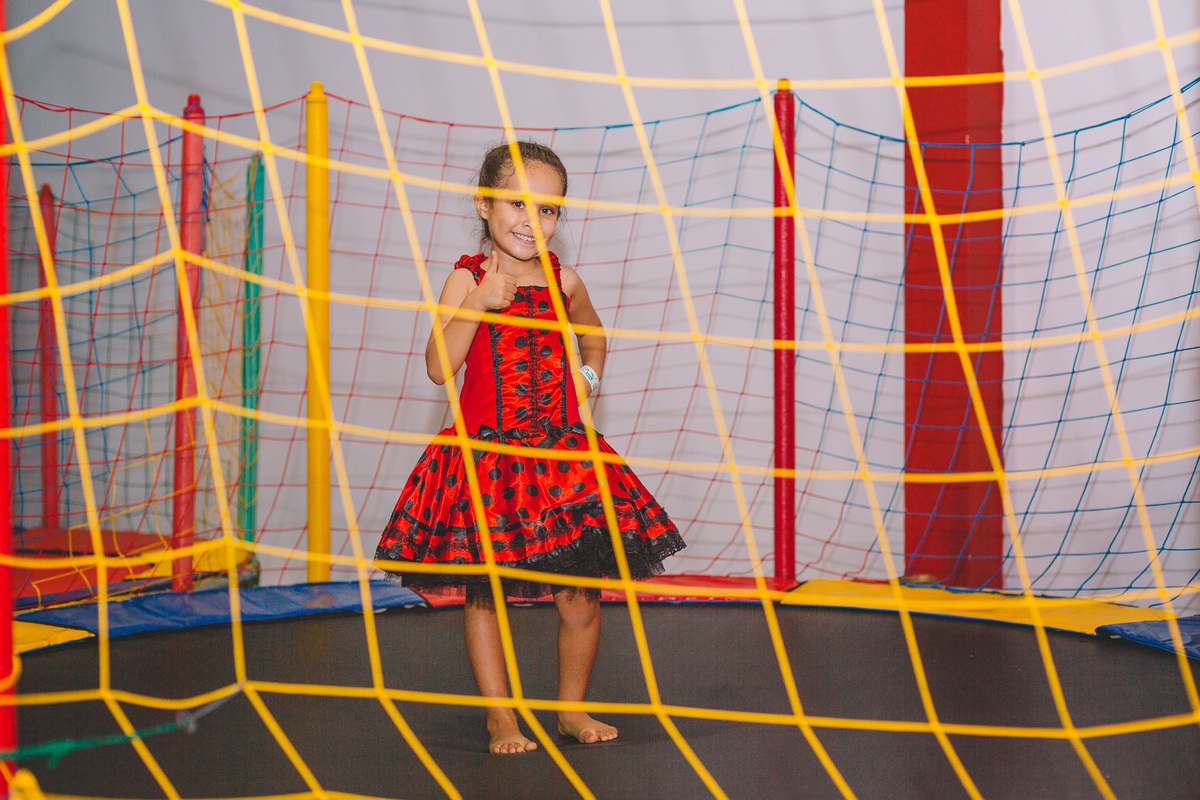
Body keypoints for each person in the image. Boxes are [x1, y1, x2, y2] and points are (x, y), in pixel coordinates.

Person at [375, 141, 686, 754]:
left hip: (563, 461)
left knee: (582, 597)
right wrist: (476, 306)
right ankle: (501, 717)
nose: (532, 220)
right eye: (517, 203)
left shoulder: (564, 282)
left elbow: (594, 338)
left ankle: (571, 708)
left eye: (549, 210)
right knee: (485, 595)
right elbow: (440, 367)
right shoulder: (467, 278)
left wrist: (587, 383)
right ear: (484, 205)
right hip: (487, 461)